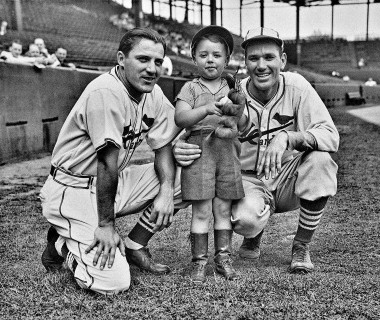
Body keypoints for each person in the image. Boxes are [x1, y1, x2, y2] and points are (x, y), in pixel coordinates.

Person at [173, 27, 339, 274]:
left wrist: (288, 137)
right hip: (246, 180)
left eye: (269, 57)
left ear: (282, 60)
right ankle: (253, 234)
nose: (262, 65)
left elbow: (330, 136)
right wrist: (178, 145)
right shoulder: (231, 92)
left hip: (286, 179)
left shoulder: (297, 86)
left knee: (321, 160)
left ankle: (301, 246)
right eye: (253, 58)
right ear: (245, 62)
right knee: (246, 219)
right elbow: (192, 130)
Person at [40, 28, 187, 295]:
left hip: (109, 186)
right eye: (143, 59)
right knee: (114, 283)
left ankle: (134, 245)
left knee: (188, 176)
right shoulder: (106, 91)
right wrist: (106, 226)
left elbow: (163, 141)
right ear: (121, 58)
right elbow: (106, 163)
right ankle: (62, 245)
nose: (152, 68)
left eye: (157, 61)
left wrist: (166, 189)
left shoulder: (151, 92)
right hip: (73, 189)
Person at [174, 26, 247, 283]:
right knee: (202, 210)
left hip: (227, 151)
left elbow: (245, 124)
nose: (210, 60)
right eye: (203, 55)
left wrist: (236, 109)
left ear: (227, 60)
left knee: (223, 208)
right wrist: (205, 108)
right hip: (201, 150)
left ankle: (223, 258)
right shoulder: (191, 89)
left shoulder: (233, 87)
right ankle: (199, 262)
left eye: (217, 55)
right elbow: (181, 117)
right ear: (194, 58)